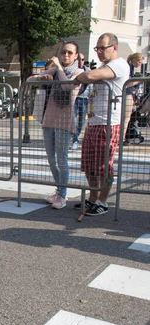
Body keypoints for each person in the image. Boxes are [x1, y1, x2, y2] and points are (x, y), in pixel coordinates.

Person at [75, 33, 129, 216]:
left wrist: (81, 75)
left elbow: (89, 75)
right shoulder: (104, 66)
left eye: (102, 48)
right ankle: (93, 198)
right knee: (89, 165)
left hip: (108, 123)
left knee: (104, 166)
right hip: (94, 121)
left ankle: (103, 202)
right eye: (97, 48)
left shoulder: (119, 65)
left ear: (114, 47)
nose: (99, 52)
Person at [27, 42, 83, 209]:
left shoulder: (78, 72)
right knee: (52, 160)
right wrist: (42, 77)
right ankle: (59, 191)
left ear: (75, 56)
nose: (66, 55)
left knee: (62, 159)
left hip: (65, 121)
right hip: (49, 119)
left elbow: (67, 86)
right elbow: (30, 80)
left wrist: (58, 68)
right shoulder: (54, 70)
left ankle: (63, 195)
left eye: (70, 53)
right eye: (64, 52)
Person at [72, 53, 92, 150]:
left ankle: (76, 136)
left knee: (82, 121)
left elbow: (91, 84)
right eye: (79, 59)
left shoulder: (88, 71)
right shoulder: (73, 70)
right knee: (73, 120)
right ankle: (75, 139)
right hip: (74, 99)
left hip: (84, 99)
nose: (81, 61)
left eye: (83, 59)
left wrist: (91, 97)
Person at [123, 52, 144, 138]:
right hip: (127, 93)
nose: (140, 64)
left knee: (125, 117)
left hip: (128, 93)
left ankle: (122, 137)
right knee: (126, 118)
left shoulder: (129, 67)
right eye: (139, 62)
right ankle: (122, 137)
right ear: (134, 60)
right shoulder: (129, 68)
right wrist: (138, 81)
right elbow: (128, 83)